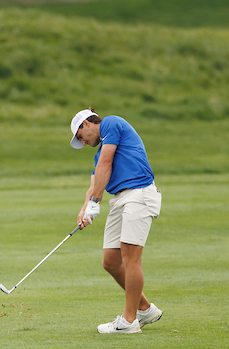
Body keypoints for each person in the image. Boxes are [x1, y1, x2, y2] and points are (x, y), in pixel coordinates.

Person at [70, 108, 163, 334]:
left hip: (139, 194)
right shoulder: (98, 153)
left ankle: (129, 321)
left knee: (130, 257)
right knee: (110, 261)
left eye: (81, 137)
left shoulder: (112, 123)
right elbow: (96, 180)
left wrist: (95, 201)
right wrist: (85, 209)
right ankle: (145, 308)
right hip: (120, 200)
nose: (83, 142)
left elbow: (106, 164)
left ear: (86, 124)